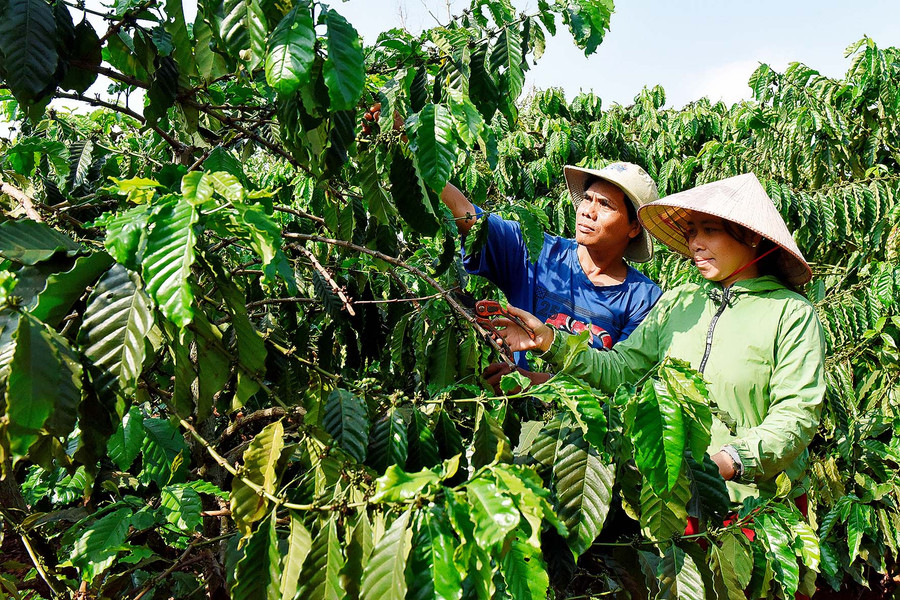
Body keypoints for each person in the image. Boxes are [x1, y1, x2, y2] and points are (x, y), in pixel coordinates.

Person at [492, 173, 825, 500]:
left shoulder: (791, 313)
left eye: (710, 230)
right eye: (691, 232)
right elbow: (620, 370)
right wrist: (549, 341)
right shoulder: (680, 302)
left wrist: (729, 461)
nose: (695, 243)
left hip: (755, 503)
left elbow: (796, 413)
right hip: (672, 497)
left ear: (750, 236)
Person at [443, 163, 663, 391]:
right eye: (587, 198)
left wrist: (530, 381)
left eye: (605, 204)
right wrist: (424, 159)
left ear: (634, 227)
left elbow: (622, 379)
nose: (588, 211)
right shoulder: (535, 250)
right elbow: (468, 216)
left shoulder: (644, 300)